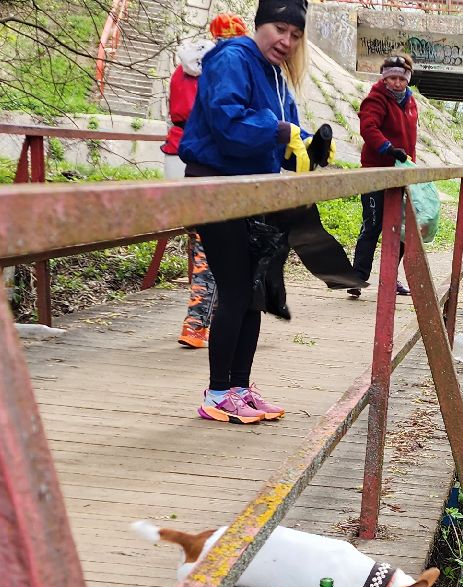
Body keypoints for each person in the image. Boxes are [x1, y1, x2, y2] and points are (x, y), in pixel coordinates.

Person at [178, 0, 322, 424]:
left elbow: (290, 131)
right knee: (236, 288)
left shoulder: (275, 76)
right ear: (260, 25)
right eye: (280, 29)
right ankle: (217, 394)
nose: (287, 41)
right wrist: (279, 132)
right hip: (216, 185)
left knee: (254, 291)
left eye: (295, 35)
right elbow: (228, 121)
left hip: (251, 190)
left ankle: (239, 387)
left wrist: (314, 145)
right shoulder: (232, 57)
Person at [163, 13, 249, 349]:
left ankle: (209, 320)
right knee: (212, 250)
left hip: (182, 161)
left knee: (204, 243)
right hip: (217, 166)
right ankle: (198, 324)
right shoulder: (224, 70)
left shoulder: (183, 69)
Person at [347, 53, 418, 300]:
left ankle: (390, 276)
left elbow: (411, 139)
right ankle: (357, 277)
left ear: (407, 79)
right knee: (373, 224)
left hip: (400, 173)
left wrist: (411, 165)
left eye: (401, 78)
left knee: (400, 229)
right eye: (392, 78)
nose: (397, 83)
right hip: (375, 172)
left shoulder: (410, 102)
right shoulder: (375, 99)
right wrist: (387, 148)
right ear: (384, 78)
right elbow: (368, 127)